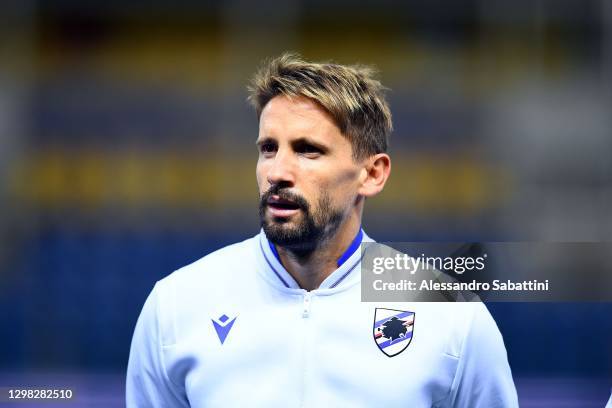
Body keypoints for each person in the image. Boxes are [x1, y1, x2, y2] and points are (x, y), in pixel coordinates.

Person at [126, 53, 518, 407]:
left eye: (307, 149)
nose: (277, 172)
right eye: (268, 148)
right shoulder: (177, 306)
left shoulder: (451, 316)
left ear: (372, 173)